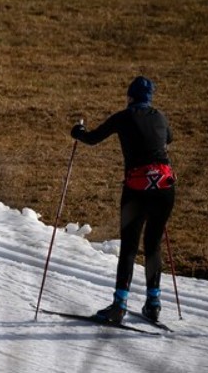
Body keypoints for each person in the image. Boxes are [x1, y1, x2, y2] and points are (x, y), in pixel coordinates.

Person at [71, 76, 176, 324]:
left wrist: (78, 132)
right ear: (149, 98)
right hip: (164, 188)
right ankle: (153, 303)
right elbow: (168, 139)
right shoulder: (160, 116)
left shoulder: (123, 116)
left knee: (129, 247)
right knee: (153, 245)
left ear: (130, 97)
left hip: (137, 188)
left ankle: (119, 306)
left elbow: (93, 138)